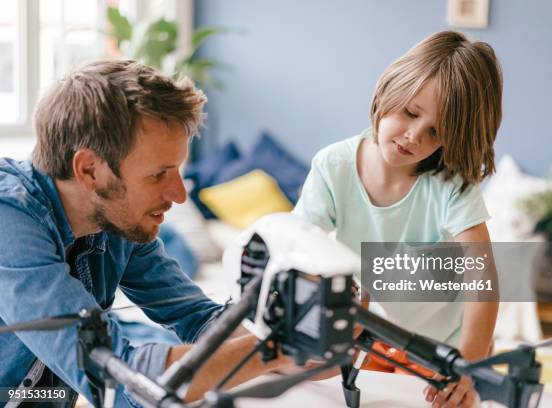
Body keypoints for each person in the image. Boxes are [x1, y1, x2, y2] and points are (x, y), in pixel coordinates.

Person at [0, 60, 293, 407]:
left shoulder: (116, 222)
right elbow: (122, 381)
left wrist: (315, 336)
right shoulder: (9, 221)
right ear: (90, 170)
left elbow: (200, 319)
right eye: (158, 175)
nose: (179, 194)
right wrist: (276, 351)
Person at [293, 30, 502, 408]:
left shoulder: (451, 187)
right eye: (410, 113)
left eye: (435, 132)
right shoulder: (333, 165)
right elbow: (301, 248)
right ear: (391, 89)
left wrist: (468, 363)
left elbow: (482, 281)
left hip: (447, 346)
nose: (413, 137)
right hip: (369, 331)